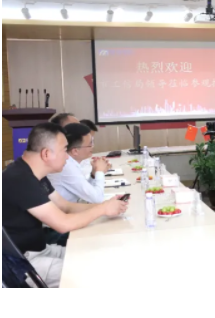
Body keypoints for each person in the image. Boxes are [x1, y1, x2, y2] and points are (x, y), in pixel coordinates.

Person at [2, 123, 128, 287]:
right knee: (96, 271)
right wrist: (103, 209)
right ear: (46, 153)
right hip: (21, 263)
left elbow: (65, 206)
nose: (67, 157)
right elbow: (62, 224)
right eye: (64, 150)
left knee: (98, 250)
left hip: (40, 249)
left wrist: (107, 205)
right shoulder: (21, 179)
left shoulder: (33, 173)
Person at [48, 123, 108, 204]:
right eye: (90, 144)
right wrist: (100, 171)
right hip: (65, 210)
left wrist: (93, 175)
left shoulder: (70, 163)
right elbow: (97, 199)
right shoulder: (66, 166)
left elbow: (86, 193)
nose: (93, 146)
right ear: (75, 151)